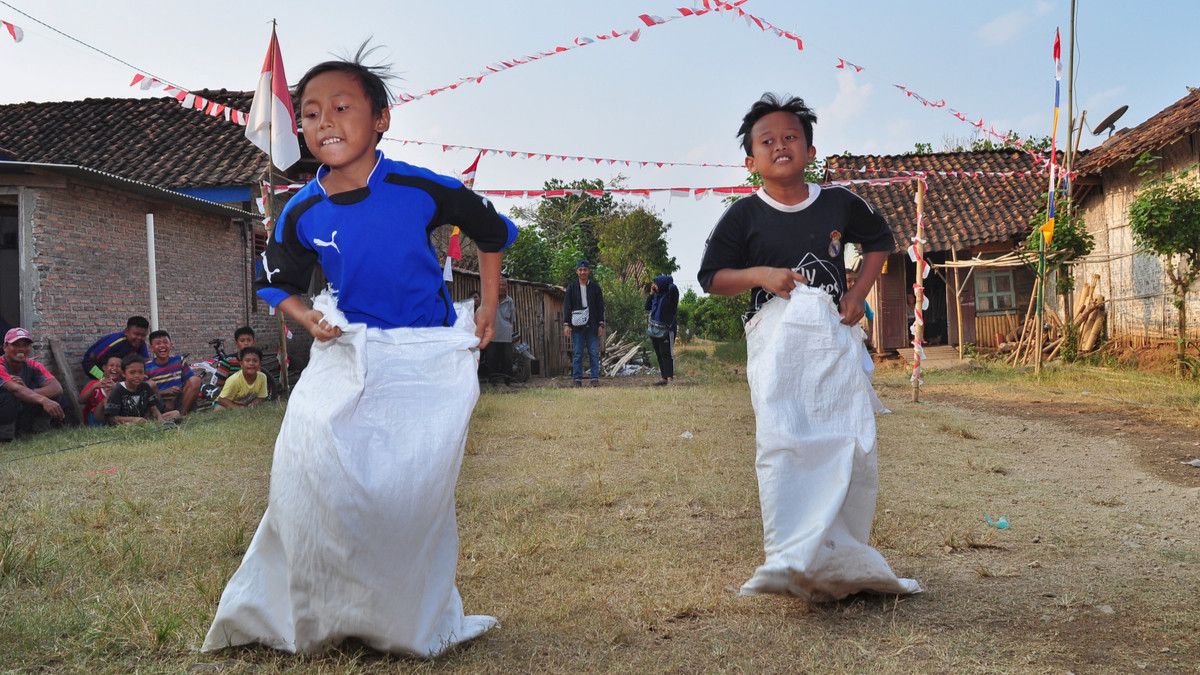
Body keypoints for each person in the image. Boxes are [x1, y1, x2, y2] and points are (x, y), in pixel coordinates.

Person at [202, 48, 517, 658]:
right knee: (310, 464)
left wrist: (486, 304)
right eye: (312, 113)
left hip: (424, 357)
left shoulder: (418, 187)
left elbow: (492, 231)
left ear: (381, 120)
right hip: (346, 348)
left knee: (407, 491)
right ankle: (314, 608)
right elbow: (275, 279)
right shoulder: (301, 207)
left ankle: (401, 616)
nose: (325, 122)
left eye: (342, 107)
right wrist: (305, 316)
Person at [697, 93, 919, 601]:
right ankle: (791, 556)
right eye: (767, 141)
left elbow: (880, 242)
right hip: (775, 345)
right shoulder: (743, 215)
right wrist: (761, 275)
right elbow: (713, 278)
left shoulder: (840, 202)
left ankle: (843, 558)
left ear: (810, 149)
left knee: (848, 443)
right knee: (784, 441)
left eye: (790, 137)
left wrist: (858, 296)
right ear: (750, 161)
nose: (781, 145)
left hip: (833, 342)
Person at [0, 327, 66, 441]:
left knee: (55, 396)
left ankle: (39, 431)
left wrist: (28, 391)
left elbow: (56, 387)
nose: (21, 349)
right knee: (8, 395)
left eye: (25, 345)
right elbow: (16, 390)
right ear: (5, 347)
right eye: (15, 345)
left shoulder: (33, 365)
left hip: (21, 410)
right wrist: (42, 399)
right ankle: (5, 437)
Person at [561, 259, 605, 387]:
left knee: (593, 352)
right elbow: (567, 306)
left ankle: (594, 379)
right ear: (577, 271)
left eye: (585, 270)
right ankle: (577, 380)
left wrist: (601, 324)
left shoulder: (595, 287)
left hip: (592, 325)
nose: (582, 272)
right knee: (578, 353)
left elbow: (600, 306)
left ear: (588, 271)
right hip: (577, 326)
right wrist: (566, 324)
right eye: (580, 270)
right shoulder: (572, 287)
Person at [104, 354, 179, 425]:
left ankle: (153, 424)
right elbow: (112, 418)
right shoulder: (118, 389)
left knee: (176, 414)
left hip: (145, 420)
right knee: (139, 422)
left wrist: (160, 420)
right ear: (123, 373)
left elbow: (153, 407)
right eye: (132, 372)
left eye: (140, 372)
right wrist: (134, 420)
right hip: (127, 422)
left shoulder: (145, 387)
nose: (137, 376)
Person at [145, 330, 201, 416]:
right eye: (158, 343)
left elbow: (189, 382)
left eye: (165, 342)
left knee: (195, 380)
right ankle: (161, 416)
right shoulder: (147, 367)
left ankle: (181, 414)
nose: (162, 345)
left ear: (171, 345)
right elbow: (145, 392)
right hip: (160, 402)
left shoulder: (179, 360)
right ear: (151, 348)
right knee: (149, 385)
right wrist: (164, 392)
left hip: (179, 401)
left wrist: (180, 389)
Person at [82, 316, 151, 378]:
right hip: (93, 366)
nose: (139, 338)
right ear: (126, 331)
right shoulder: (115, 341)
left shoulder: (140, 343)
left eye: (143, 335)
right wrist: (102, 377)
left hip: (116, 371)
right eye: (136, 334)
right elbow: (89, 361)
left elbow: (146, 362)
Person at [644, 274, 680, 385]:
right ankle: (664, 378)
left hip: (667, 329)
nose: (654, 285)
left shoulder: (670, 295)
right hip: (655, 328)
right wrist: (652, 293)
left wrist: (664, 282)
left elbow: (673, 287)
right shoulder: (656, 295)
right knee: (659, 353)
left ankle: (670, 378)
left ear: (663, 284)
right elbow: (647, 306)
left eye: (656, 283)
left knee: (666, 353)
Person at [481, 276, 515, 384]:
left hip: (506, 336)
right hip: (492, 336)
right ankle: (493, 382)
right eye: (499, 285)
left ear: (507, 286)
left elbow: (512, 318)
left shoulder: (510, 301)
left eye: (504, 285)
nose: (501, 287)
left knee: (507, 360)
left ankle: (507, 382)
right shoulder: (489, 299)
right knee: (492, 360)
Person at [81, 354, 123, 426]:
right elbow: (81, 400)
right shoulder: (94, 384)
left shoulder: (123, 385)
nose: (114, 368)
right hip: (95, 421)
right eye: (111, 365)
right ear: (104, 367)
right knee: (106, 401)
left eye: (118, 366)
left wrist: (116, 388)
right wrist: (93, 387)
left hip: (117, 416)